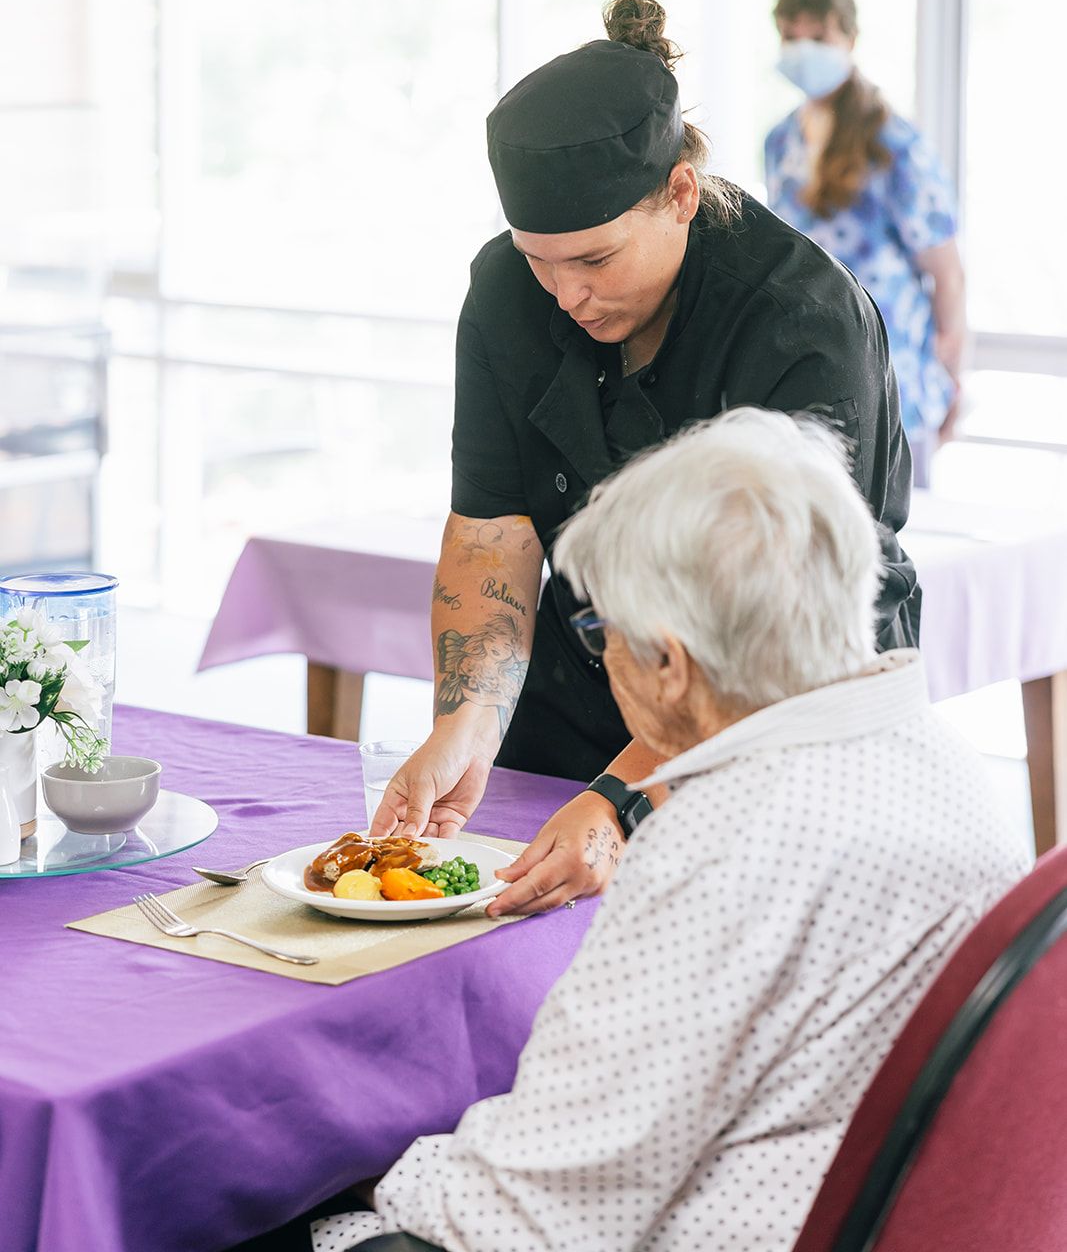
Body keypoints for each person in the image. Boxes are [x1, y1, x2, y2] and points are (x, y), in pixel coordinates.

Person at [316, 409, 1027, 1252]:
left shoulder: (724, 838)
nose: (602, 655)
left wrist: (358, 1168)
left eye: (598, 632)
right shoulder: (938, 757)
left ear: (669, 664)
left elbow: (533, 1211)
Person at [371, 0, 920, 919]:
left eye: (593, 259)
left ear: (678, 194)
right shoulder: (509, 294)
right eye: (539, 261)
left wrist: (624, 799)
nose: (564, 295)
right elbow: (491, 531)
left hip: (787, 702)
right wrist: (465, 724)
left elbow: (768, 629)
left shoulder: (800, 319)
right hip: (593, 676)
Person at [765, 0, 967, 485]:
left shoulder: (895, 146)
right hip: (810, 368)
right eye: (791, 37)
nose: (802, 50)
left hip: (894, 373)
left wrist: (951, 375)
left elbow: (946, 272)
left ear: (850, 40)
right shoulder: (780, 142)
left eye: (818, 37)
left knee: (901, 543)